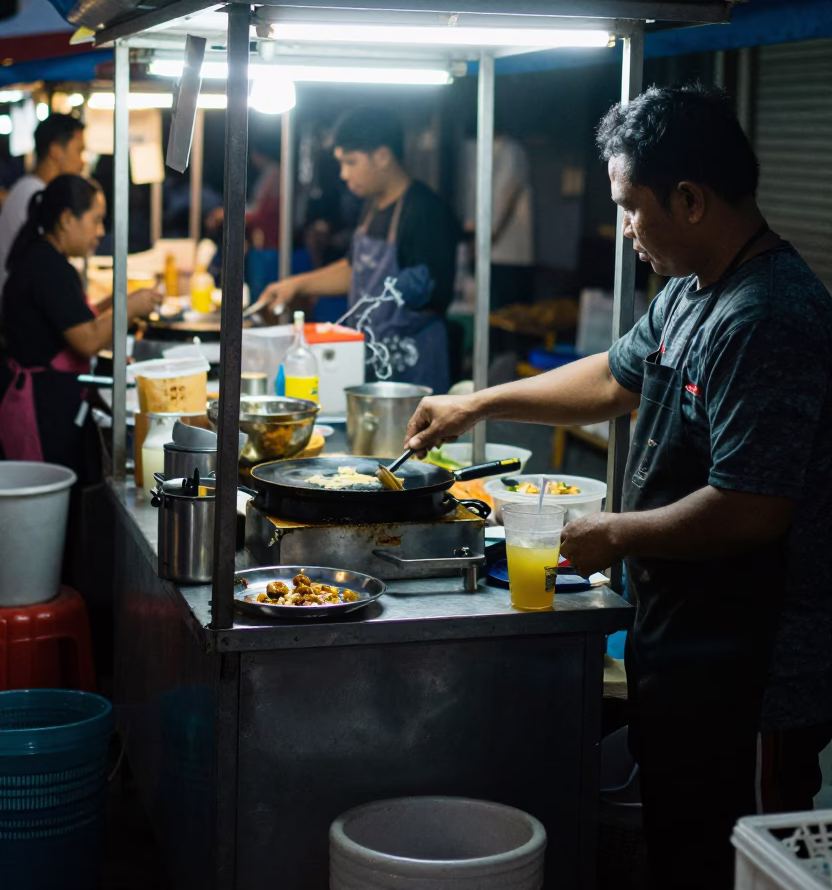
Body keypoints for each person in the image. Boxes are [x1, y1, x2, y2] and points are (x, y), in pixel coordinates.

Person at [404, 84, 832, 890]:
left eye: (632, 208)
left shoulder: (767, 316)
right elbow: (611, 378)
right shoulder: (691, 290)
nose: (625, 228)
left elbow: (752, 509)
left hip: (756, 673)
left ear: (690, 200)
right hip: (688, 639)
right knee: (681, 851)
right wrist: (477, 404)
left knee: (741, 864)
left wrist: (615, 533)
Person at [259, 108, 460, 394]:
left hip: (414, 367)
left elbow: (428, 295)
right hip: (370, 360)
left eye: (351, 162)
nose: (344, 174)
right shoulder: (372, 207)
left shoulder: (425, 211)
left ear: (382, 156)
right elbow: (355, 270)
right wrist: (296, 285)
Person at [0, 175, 159, 476]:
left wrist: (119, 302)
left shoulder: (45, 258)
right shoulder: (48, 266)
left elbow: (74, 318)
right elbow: (86, 339)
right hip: (41, 410)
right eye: (96, 220)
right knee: (50, 493)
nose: (101, 231)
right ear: (66, 219)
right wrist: (130, 307)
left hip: (48, 402)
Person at [0, 112, 85, 298]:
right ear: (56, 151)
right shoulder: (36, 197)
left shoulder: (26, 188)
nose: (82, 162)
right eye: (79, 151)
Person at [464, 133, 534, 309]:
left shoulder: (511, 152)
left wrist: (483, 242)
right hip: (493, 252)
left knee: (502, 312)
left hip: (506, 255)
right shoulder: (483, 150)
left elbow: (505, 200)